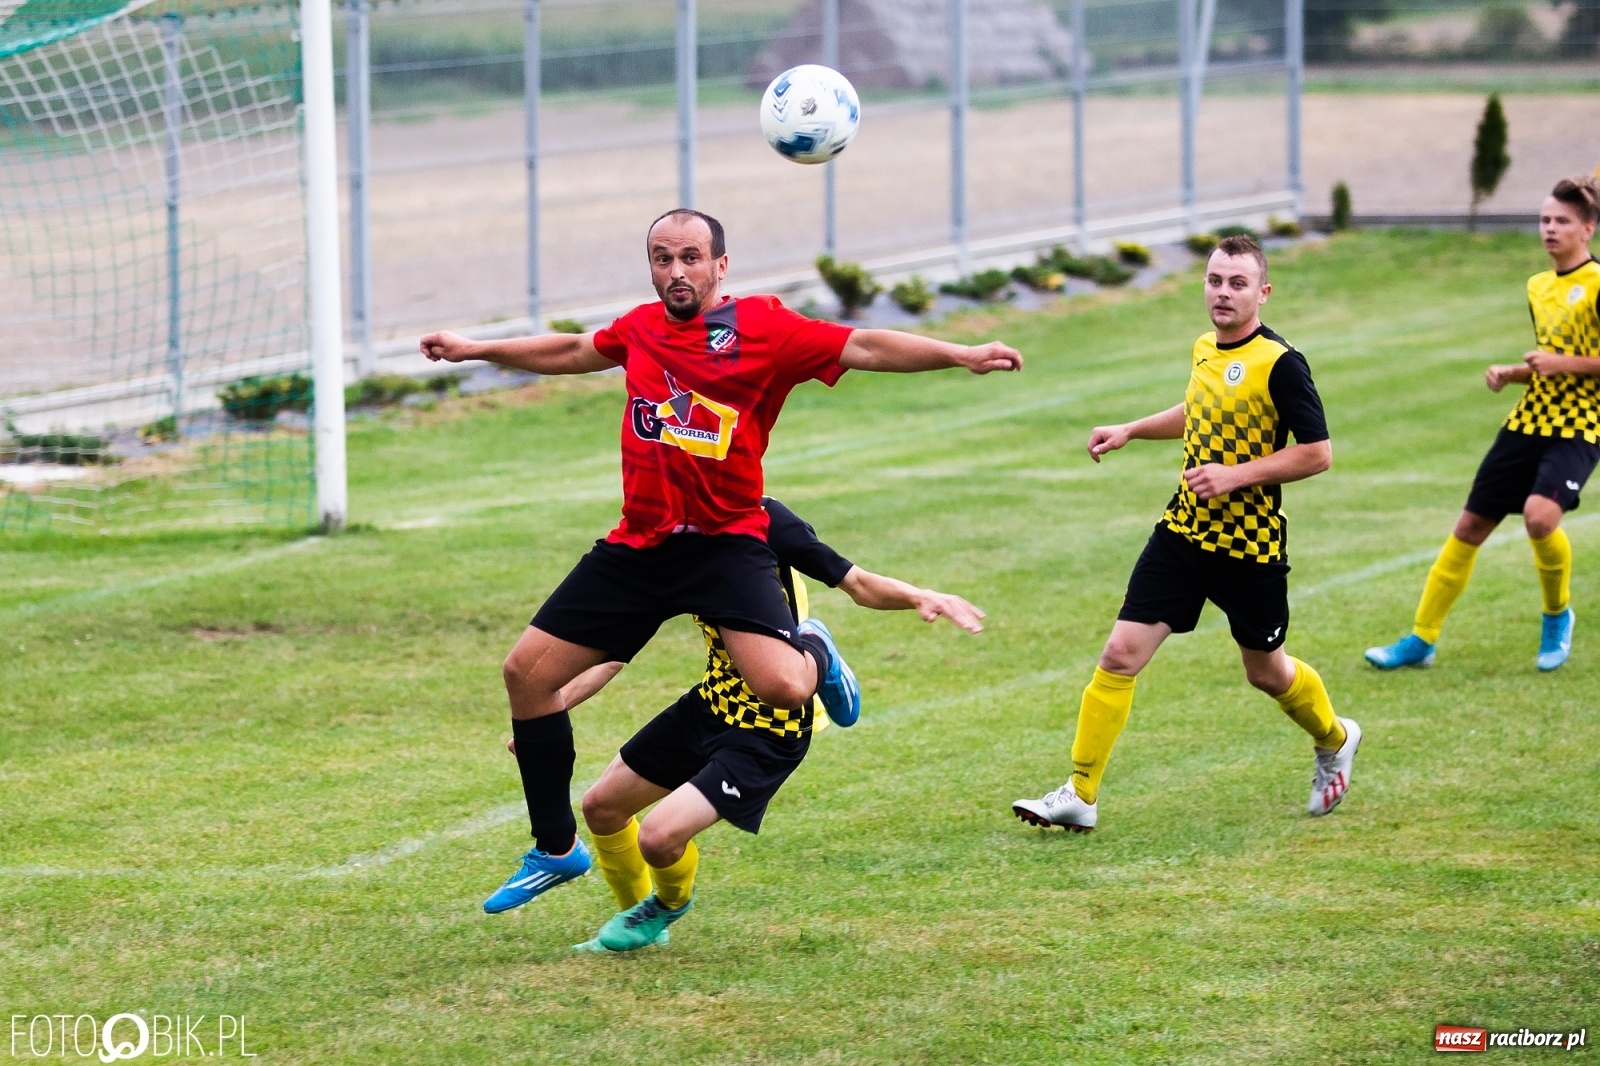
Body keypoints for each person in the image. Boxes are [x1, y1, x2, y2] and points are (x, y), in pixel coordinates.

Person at [419, 209, 1022, 914]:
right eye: (662, 258)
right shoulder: (640, 328)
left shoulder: (765, 327)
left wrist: (960, 353)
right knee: (525, 673)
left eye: (690, 257)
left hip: (725, 544)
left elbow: (864, 344)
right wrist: (474, 349)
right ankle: (555, 847)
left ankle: (815, 652)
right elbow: (576, 349)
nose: (676, 272)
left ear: (720, 266)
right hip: (640, 545)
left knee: (784, 690)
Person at [1011, 234, 1360, 833]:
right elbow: (1198, 410)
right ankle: (1080, 793)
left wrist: (1235, 476)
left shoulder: (1281, 363)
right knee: (1119, 655)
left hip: (1249, 548)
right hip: (1183, 533)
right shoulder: (1204, 347)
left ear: (1263, 293)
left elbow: (1318, 453)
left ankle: (1334, 737)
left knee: (1267, 673)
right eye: (1215, 281)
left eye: (1237, 284)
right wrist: (1130, 429)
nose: (1223, 293)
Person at [563, 496, 986, 952]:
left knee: (659, 837)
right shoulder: (668, 536)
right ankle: (641, 923)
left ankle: (665, 905)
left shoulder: (766, 520)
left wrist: (920, 596)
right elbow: (614, 652)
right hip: (712, 702)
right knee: (601, 807)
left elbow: (858, 583)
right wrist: (549, 711)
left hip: (770, 728)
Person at [1366, 177, 1600, 672]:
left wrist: (1563, 364)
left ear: (1588, 229)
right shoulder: (1538, 286)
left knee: (1540, 518)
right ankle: (1421, 639)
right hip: (1530, 418)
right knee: (1470, 524)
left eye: (1561, 221)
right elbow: (1553, 359)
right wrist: (1515, 373)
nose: (1549, 229)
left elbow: (1569, 362)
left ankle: (1557, 615)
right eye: (1544, 220)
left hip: (1581, 424)